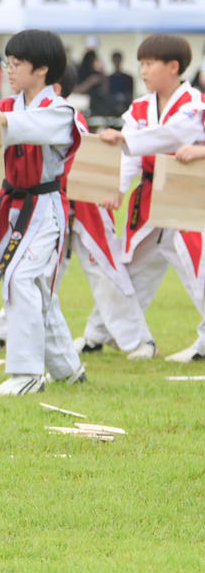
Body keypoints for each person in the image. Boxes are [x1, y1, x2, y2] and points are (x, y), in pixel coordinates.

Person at [0, 31, 85, 395]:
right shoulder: (4, 107)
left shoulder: (60, 111)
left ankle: (28, 373)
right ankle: (69, 369)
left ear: (42, 69)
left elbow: (33, 127)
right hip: (12, 206)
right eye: (8, 62)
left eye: (17, 64)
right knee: (36, 288)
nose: (9, 69)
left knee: (20, 279)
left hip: (46, 208)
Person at [97, 34, 205, 364]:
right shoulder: (140, 108)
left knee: (197, 266)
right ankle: (99, 334)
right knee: (124, 266)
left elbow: (174, 135)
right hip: (148, 197)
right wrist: (118, 187)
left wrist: (126, 140)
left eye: (149, 63)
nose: (143, 70)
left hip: (187, 197)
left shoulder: (195, 104)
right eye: (141, 64)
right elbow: (130, 156)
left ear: (173, 67)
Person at [106, 50, 135, 116]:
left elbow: (130, 96)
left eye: (118, 60)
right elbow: (107, 96)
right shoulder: (108, 79)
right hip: (111, 111)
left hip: (126, 110)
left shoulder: (128, 78)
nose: (117, 62)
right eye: (115, 60)